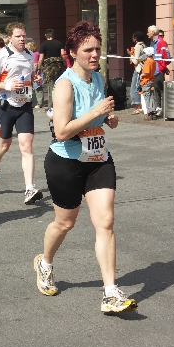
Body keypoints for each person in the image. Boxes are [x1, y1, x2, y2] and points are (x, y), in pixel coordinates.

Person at [33, 21, 137, 313]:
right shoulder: (64, 84)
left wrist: (107, 120)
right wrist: (96, 112)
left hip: (97, 158)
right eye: (87, 49)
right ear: (72, 52)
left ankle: (110, 292)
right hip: (65, 161)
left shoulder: (99, 79)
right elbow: (62, 131)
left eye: (98, 49)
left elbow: (99, 116)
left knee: (105, 221)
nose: (94, 54)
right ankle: (46, 262)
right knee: (65, 223)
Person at [0, 22, 44, 205]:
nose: (22, 39)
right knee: (4, 145)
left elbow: (29, 78)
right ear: (9, 38)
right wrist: (7, 86)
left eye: (24, 35)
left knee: (26, 146)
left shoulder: (28, 55)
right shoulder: (3, 55)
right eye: (18, 36)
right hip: (5, 105)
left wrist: (36, 80)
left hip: (24, 104)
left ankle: (29, 188)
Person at [37, 29, 64, 109]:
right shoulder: (59, 43)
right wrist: (65, 64)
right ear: (53, 35)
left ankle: (52, 105)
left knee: (51, 86)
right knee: (59, 84)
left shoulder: (43, 44)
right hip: (58, 66)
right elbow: (62, 55)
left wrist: (38, 68)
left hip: (49, 67)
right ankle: (60, 103)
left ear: (46, 35)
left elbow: (41, 58)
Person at [147, 25, 170, 117]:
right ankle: (158, 108)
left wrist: (162, 67)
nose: (147, 33)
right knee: (156, 89)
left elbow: (166, 57)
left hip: (159, 70)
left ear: (152, 32)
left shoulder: (161, 42)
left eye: (148, 31)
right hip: (154, 70)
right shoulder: (152, 42)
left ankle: (164, 109)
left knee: (160, 89)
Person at [126, 31, 146, 115]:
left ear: (135, 38)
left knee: (134, 88)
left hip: (138, 69)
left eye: (133, 37)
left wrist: (131, 55)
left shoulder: (138, 46)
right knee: (139, 87)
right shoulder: (144, 45)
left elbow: (136, 61)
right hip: (142, 68)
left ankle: (138, 107)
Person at [139, 47, 157, 121]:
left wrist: (141, 75)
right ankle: (153, 111)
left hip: (146, 81)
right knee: (152, 96)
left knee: (147, 97)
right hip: (152, 80)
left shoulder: (147, 62)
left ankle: (149, 113)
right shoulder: (153, 61)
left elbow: (146, 72)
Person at [26, 40, 44, 108]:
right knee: (34, 87)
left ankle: (39, 102)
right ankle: (35, 102)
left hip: (35, 71)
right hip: (34, 71)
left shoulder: (34, 54)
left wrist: (35, 72)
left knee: (37, 87)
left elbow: (35, 64)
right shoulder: (36, 53)